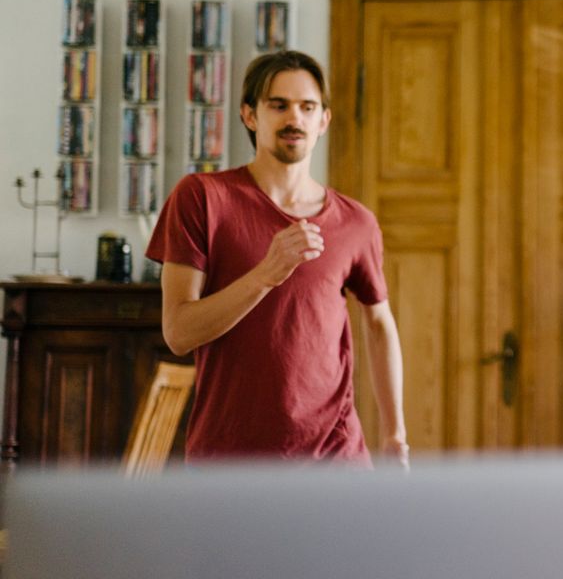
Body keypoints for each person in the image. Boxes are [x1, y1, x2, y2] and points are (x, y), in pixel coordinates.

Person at [146, 50, 408, 468]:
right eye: (278, 105)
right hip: (230, 457)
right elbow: (178, 332)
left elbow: (379, 324)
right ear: (250, 116)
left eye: (308, 107)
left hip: (335, 457)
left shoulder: (356, 221)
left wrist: (395, 436)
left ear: (324, 120)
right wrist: (267, 273)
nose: (294, 119)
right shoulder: (201, 198)